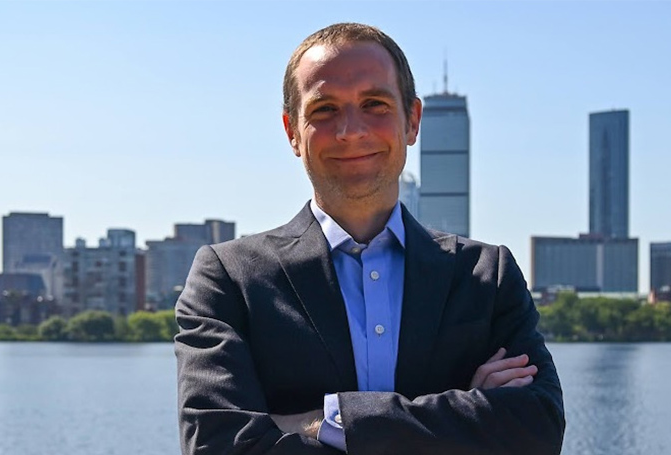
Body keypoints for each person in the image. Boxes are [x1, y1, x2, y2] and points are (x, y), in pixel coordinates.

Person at [175, 22, 565, 455]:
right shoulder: (228, 280)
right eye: (324, 110)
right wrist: (468, 414)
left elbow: (538, 429)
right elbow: (218, 446)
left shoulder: (487, 277)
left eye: (374, 104)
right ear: (292, 131)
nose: (351, 131)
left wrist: (328, 421)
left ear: (412, 121)